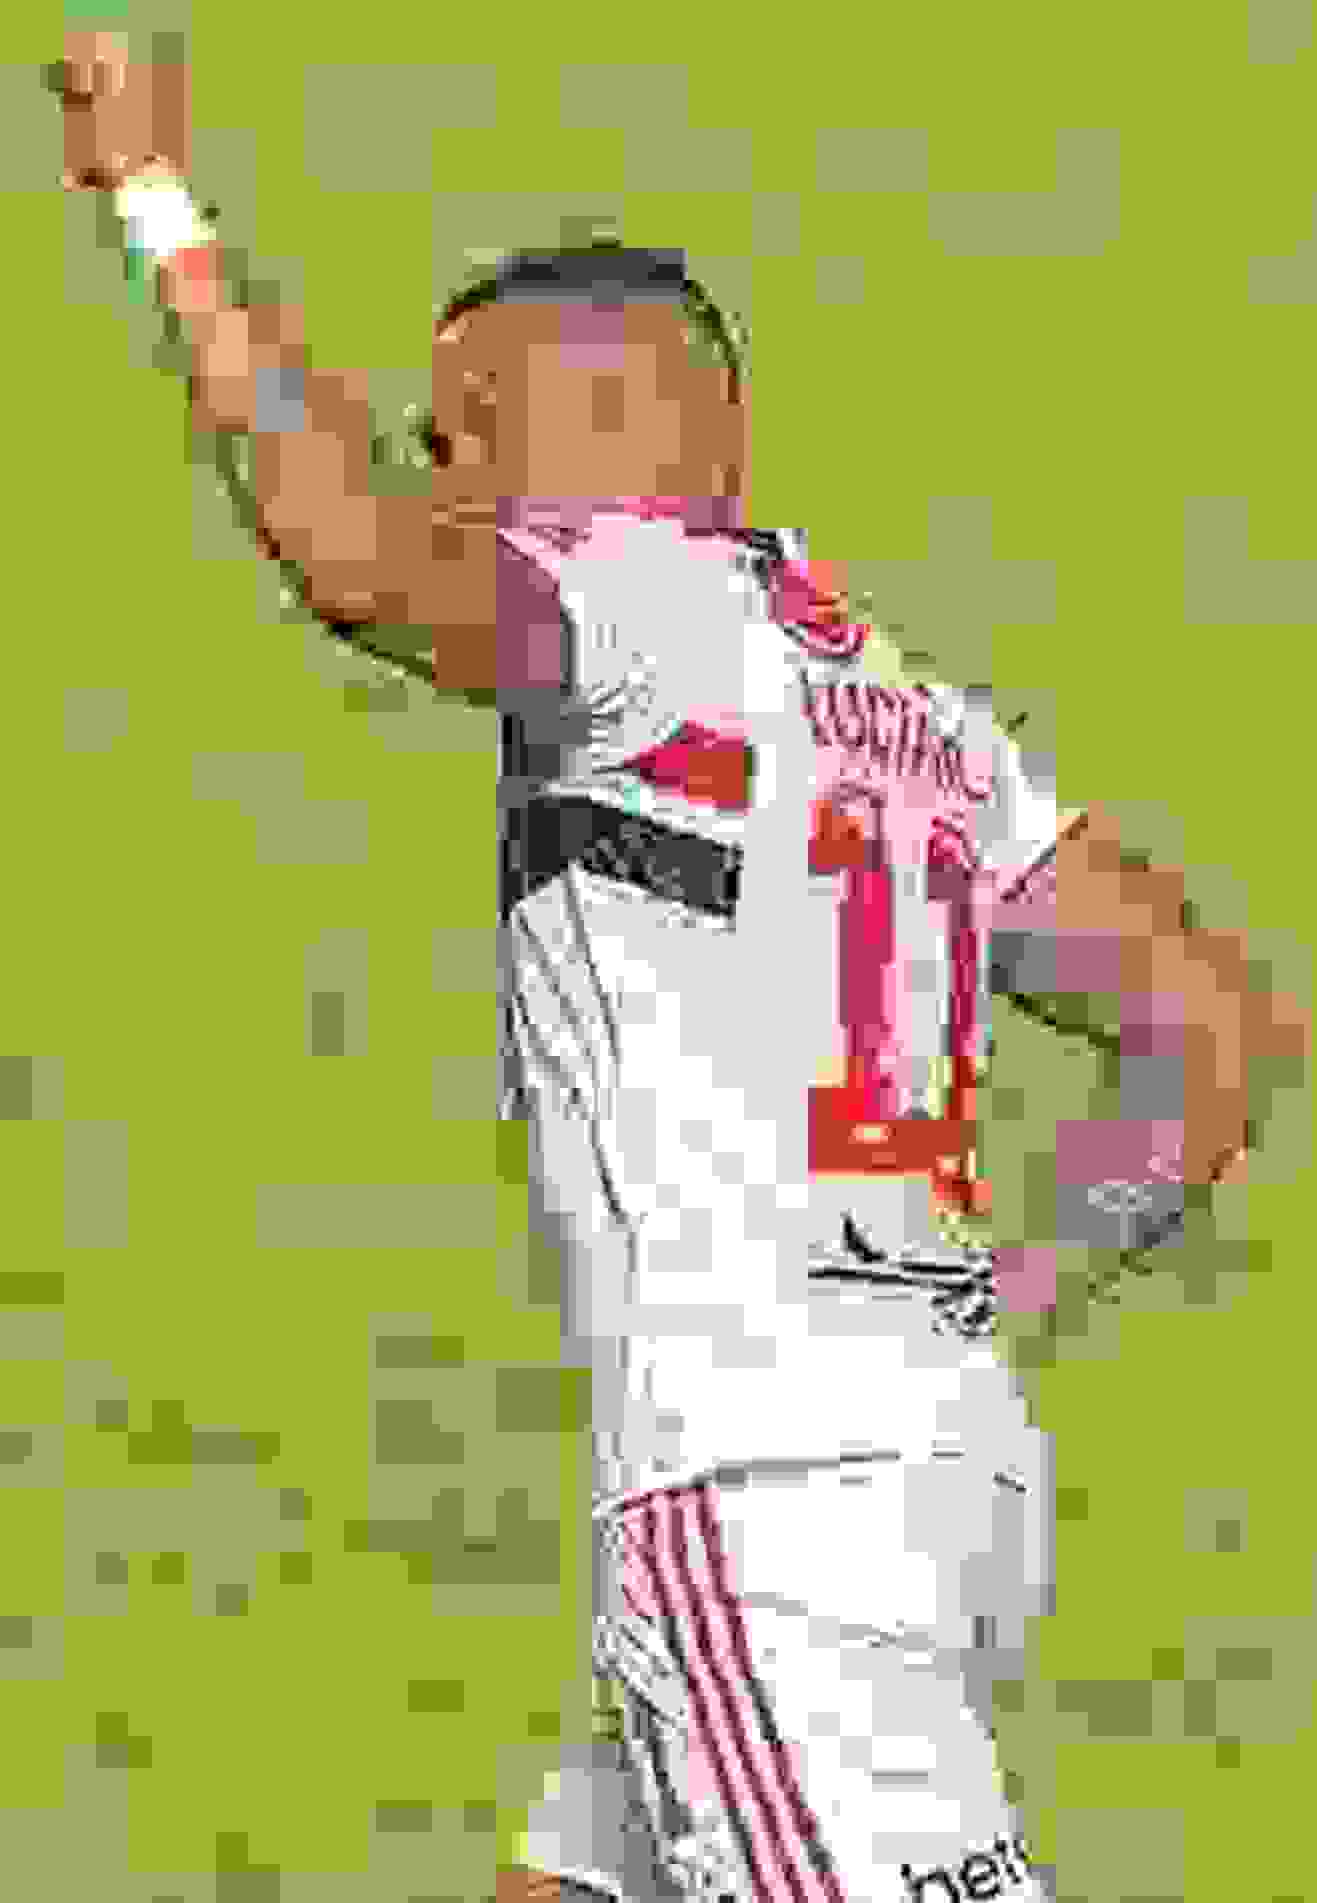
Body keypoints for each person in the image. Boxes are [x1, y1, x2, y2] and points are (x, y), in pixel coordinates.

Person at [52, 32, 1308, 1903]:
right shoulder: (917, 721)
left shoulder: (621, 608)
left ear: (539, 442)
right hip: (939, 1486)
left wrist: (156, 202)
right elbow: (1212, 1033)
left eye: (450, 441)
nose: (435, 476)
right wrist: (990, 1312)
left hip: (763, 1513)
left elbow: (354, 565)